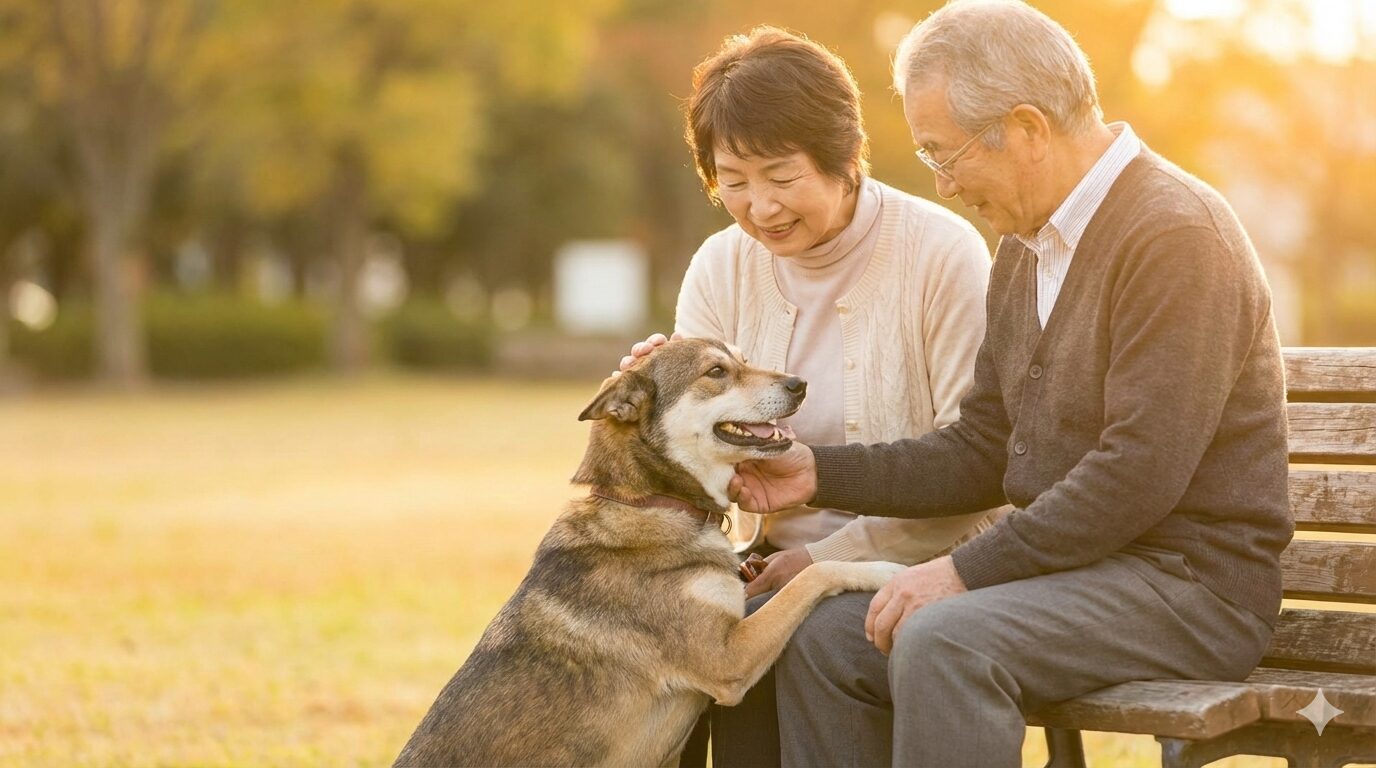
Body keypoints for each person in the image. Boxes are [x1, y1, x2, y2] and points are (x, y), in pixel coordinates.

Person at [721, 2, 1294, 766]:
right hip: (1082, 573)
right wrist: (819, 471)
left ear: (1026, 129)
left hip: (1190, 591)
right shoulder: (1028, 249)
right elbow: (985, 449)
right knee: (825, 638)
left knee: (943, 637)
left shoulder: (1175, 234)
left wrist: (961, 571)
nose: (945, 184)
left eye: (944, 154)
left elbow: (1137, 475)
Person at [622, 26, 1001, 767]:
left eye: (781, 175)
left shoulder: (941, 255)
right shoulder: (720, 266)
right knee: (637, 643)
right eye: (733, 179)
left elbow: (975, 468)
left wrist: (824, 559)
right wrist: (655, 409)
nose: (759, 206)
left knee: (786, 637)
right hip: (757, 567)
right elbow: (692, 459)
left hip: (920, 564)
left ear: (844, 156)